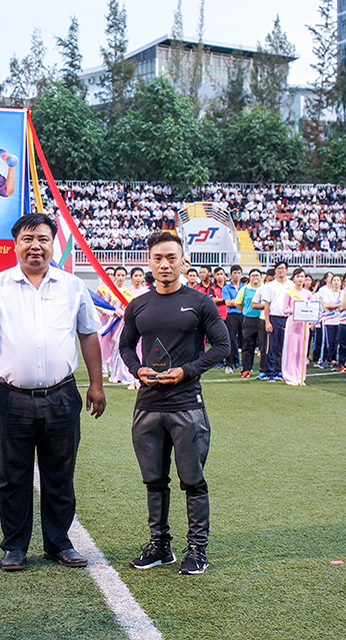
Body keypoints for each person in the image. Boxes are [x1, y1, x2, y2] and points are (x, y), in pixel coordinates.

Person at [0, 212, 105, 572]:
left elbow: (89, 334)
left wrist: (96, 384)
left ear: (52, 243)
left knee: (60, 473)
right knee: (13, 476)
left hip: (61, 395)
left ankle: (59, 544)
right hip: (11, 397)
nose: (35, 246)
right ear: (16, 244)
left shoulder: (72, 287)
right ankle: (14, 547)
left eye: (42, 239)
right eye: (27, 239)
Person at [118, 231, 229, 576]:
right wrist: (137, 370)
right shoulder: (138, 304)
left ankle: (197, 549)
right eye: (157, 258)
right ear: (148, 262)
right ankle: (160, 545)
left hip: (186, 406)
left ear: (183, 261)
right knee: (154, 480)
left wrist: (186, 371)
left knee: (192, 480)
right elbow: (125, 347)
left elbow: (222, 347)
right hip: (148, 405)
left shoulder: (200, 302)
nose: (164, 264)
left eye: (171, 258)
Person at [257, 261, 294, 382]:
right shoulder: (270, 286)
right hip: (274, 317)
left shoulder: (291, 285)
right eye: (278, 268)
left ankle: (281, 371)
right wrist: (267, 322)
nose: (280, 271)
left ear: (287, 270)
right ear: (275, 270)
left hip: (288, 318)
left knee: (284, 346)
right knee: (271, 347)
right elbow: (267, 305)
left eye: (283, 268)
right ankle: (270, 373)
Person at [281, 268, 313, 386]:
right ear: (294, 278)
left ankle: (300, 376)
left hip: (304, 325)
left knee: (302, 351)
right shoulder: (289, 293)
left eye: (302, 277)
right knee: (292, 350)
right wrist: (296, 309)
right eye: (298, 276)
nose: (300, 279)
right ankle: (290, 375)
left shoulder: (308, 294)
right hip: (293, 323)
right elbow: (284, 310)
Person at [236, 269, 263, 377]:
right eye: (252, 275)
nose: (255, 277)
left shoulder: (265, 288)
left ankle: (264, 369)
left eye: (257, 275)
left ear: (261, 276)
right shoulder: (244, 289)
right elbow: (238, 303)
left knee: (263, 345)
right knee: (247, 345)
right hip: (249, 320)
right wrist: (245, 311)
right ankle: (246, 368)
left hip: (262, 319)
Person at [221, 265, 243, 374]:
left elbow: (245, 302)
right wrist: (238, 302)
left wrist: (234, 301)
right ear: (231, 275)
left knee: (245, 340)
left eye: (238, 273)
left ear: (241, 274)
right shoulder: (226, 288)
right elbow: (227, 302)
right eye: (234, 273)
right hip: (232, 315)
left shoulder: (244, 287)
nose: (236, 275)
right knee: (231, 339)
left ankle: (244, 365)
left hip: (243, 315)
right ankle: (229, 364)